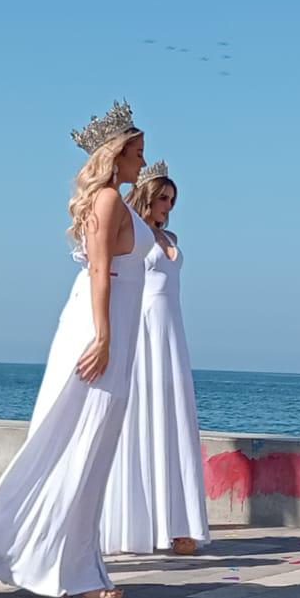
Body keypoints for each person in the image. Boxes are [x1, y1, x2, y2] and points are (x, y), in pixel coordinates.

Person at [0, 102, 151, 598]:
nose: (143, 163)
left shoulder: (115, 202)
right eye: (138, 153)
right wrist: (102, 337)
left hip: (114, 328)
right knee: (80, 444)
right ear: (116, 155)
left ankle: (73, 565)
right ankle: (72, 575)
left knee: (91, 449)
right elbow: (101, 273)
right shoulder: (105, 202)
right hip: (100, 329)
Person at [100, 160, 211, 556]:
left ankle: (179, 523)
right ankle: (142, 523)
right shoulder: (132, 231)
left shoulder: (171, 236)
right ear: (147, 197)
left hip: (172, 332)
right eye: (163, 197)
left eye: (172, 199)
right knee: (141, 418)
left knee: (174, 418)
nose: (168, 205)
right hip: (143, 326)